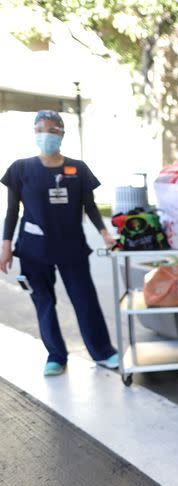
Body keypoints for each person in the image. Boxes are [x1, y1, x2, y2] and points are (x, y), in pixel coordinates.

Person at [0, 110, 119, 376]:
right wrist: (5, 247)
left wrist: (105, 234)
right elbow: (11, 212)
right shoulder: (20, 169)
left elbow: (90, 206)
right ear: (34, 132)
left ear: (62, 134)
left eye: (53, 129)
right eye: (41, 128)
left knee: (85, 299)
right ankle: (55, 355)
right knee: (43, 301)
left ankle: (103, 351)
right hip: (34, 248)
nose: (46, 134)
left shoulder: (77, 169)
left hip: (71, 246)